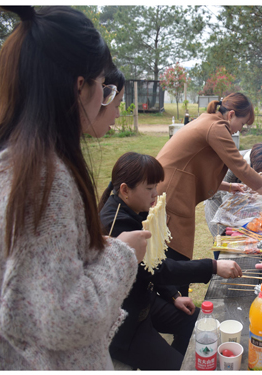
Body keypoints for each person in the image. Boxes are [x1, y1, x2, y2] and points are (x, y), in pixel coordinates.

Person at [0, 6, 149, 370]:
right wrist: (121, 255)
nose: (105, 99)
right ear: (79, 85)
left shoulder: (15, 161)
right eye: (105, 86)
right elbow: (64, 317)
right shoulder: (44, 179)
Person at [99, 151, 243, 370]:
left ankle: (172, 357)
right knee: (180, 367)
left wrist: (173, 295)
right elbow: (158, 269)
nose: (155, 194)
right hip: (124, 325)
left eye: (156, 186)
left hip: (143, 303)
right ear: (125, 190)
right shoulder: (117, 225)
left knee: (195, 321)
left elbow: (151, 266)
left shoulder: (132, 209)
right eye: (149, 188)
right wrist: (212, 266)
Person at [155, 92, 262, 296]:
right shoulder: (217, 127)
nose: (239, 130)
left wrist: (229, 187)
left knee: (173, 252)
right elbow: (240, 167)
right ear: (231, 114)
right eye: (242, 124)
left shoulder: (210, 121)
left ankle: (173, 299)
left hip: (173, 191)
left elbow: (198, 169)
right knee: (175, 254)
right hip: (172, 194)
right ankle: (174, 302)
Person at [204, 141, 262, 259]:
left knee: (248, 238)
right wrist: (247, 198)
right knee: (223, 238)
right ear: (256, 162)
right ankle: (219, 264)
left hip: (247, 208)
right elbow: (224, 193)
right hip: (218, 202)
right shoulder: (235, 162)